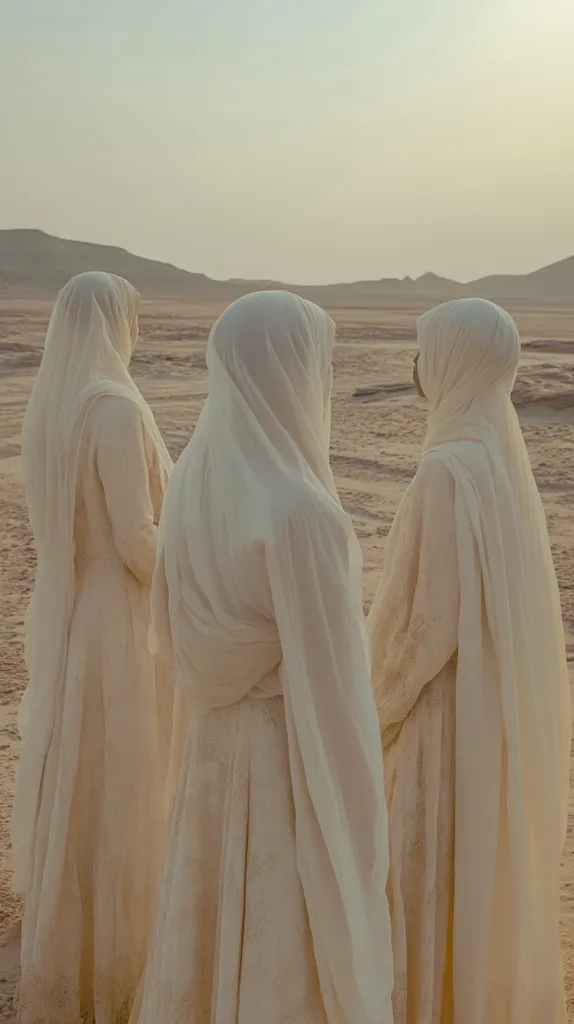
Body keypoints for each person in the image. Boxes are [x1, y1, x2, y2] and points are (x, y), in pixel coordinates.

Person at [131, 290, 394, 1024]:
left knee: (207, 918)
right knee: (286, 930)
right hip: (285, 756)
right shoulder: (299, 510)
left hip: (212, 746)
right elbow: (335, 684)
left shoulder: (190, 482)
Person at [368, 297, 571, 1024]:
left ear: (454, 360)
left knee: (425, 876)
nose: (416, 370)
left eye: (425, 353)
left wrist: (372, 709)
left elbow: (425, 631)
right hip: (493, 708)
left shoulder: (447, 472)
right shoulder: (495, 461)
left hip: (444, 717)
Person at [12, 272, 174, 1024]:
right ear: (115, 321)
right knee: (120, 776)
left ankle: (70, 933)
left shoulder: (55, 407)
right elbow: (136, 539)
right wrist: (202, 568)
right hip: (120, 615)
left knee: (85, 769)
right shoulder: (112, 407)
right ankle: (115, 958)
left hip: (80, 613)